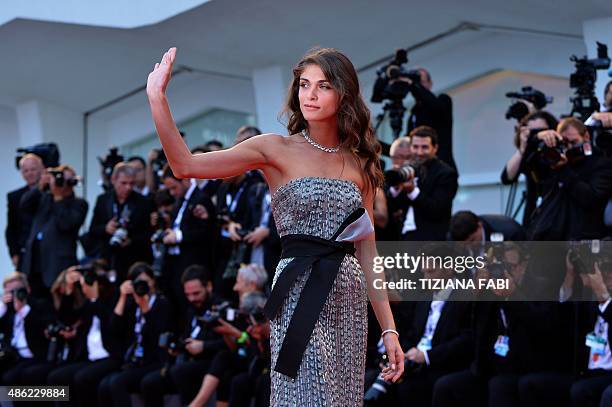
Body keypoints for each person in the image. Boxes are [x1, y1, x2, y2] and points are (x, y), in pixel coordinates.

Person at [147, 46, 404, 405]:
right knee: (306, 394)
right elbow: (185, 166)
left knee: (341, 398)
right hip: (298, 287)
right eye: (304, 84)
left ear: (344, 93)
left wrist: (389, 329)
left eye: (323, 86)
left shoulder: (362, 163)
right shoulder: (275, 148)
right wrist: (157, 99)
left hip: (347, 295)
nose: (310, 95)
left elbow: (368, 252)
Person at [19, 165, 89, 298]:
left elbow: (65, 224)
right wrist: (40, 185)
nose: (61, 183)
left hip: (57, 267)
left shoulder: (79, 204)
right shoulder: (44, 198)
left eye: (66, 179)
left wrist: (58, 198)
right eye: (59, 178)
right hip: (34, 265)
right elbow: (24, 206)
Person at [387, 126, 458, 242]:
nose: (419, 152)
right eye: (415, 147)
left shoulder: (446, 174)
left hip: (432, 243)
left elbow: (437, 209)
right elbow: (392, 207)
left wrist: (412, 191)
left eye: (424, 147)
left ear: (435, 148)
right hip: (403, 239)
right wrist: (395, 188)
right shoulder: (408, 169)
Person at [404, 68, 456, 171]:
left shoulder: (443, 100)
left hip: (442, 170)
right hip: (420, 171)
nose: (417, 86)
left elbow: (435, 107)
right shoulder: (414, 112)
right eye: (416, 82)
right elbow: (408, 142)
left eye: (421, 82)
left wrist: (412, 83)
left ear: (430, 83)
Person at [5, 153, 45, 269]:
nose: (30, 173)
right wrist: (14, 253)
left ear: (42, 169)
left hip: (48, 254)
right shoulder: (14, 197)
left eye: (33, 169)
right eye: (25, 171)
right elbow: (11, 228)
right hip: (25, 254)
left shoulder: (52, 194)